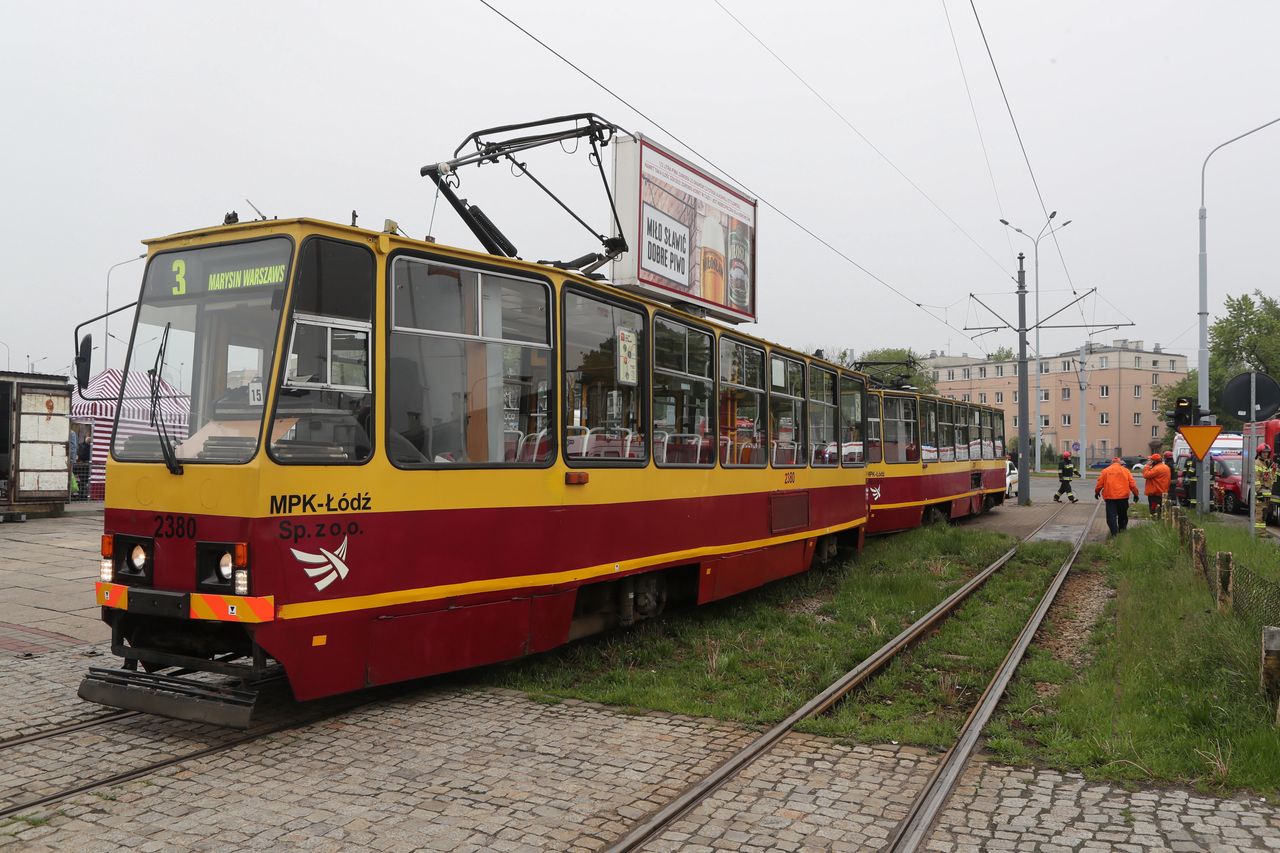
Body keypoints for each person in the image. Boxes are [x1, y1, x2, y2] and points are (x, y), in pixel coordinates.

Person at [1095, 456, 1140, 535]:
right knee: (1122, 515)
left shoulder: (1105, 471)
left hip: (1110, 497)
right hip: (1123, 497)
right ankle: (1122, 531)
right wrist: (1135, 494)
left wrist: (1097, 492)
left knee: (1111, 517)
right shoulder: (1126, 471)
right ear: (1120, 463)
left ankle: (1114, 533)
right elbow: (1132, 484)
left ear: (1111, 463)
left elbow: (1099, 484)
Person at [1142, 452, 1170, 518]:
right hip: (1163, 492)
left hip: (1155, 493)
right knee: (1161, 511)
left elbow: (1146, 475)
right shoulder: (1166, 467)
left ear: (1154, 461)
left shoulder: (1157, 468)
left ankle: (1155, 523)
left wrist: (1147, 466)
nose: (1150, 462)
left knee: (1154, 511)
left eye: (1151, 461)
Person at [1255, 444, 1275, 532]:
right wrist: (1258, 491)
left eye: (1267, 453)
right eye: (1264, 452)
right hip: (1261, 492)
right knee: (1260, 513)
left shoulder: (1268, 463)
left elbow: (1272, 477)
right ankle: (1260, 533)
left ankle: (1262, 532)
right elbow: (1256, 479)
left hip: (1267, 492)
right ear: (1260, 453)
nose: (1266, 454)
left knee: (1265, 514)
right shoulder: (1257, 463)